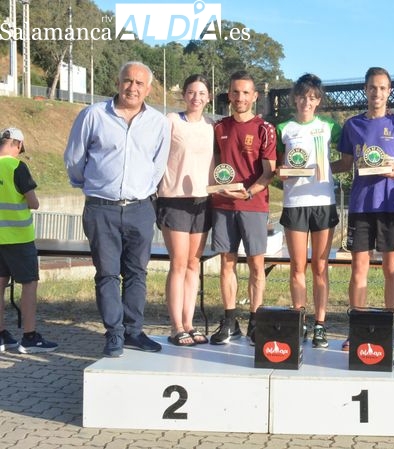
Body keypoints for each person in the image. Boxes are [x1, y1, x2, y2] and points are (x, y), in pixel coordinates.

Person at [64, 61, 170, 357]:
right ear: (118, 81)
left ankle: (134, 331)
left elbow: (157, 166)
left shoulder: (159, 123)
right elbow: (75, 159)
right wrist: (96, 186)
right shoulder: (93, 115)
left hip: (140, 208)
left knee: (137, 272)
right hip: (102, 209)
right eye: (127, 81)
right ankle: (114, 334)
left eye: (139, 83)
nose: (132, 87)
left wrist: (141, 192)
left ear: (148, 89)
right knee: (107, 273)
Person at [332, 67, 394, 352]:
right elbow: (345, 164)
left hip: (391, 206)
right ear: (365, 90)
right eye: (372, 88)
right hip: (360, 205)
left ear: (389, 91)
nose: (377, 93)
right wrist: (310, 169)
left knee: (391, 269)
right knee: (359, 269)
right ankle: (356, 329)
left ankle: (391, 332)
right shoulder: (352, 125)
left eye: (382, 88)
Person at [209, 70, 277, 346]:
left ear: (255, 96)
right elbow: (214, 166)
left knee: (256, 266)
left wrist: (249, 192)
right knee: (226, 263)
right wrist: (216, 186)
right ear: (229, 94)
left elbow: (268, 173)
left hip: (253, 205)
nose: (240, 97)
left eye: (246, 92)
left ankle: (255, 321)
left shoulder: (265, 129)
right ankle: (229, 322)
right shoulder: (219, 127)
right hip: (223, 204)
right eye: (235, 92)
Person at [276, 73, 341, 349]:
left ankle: (320, 325)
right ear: (295, 98)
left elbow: (349, 158)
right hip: (295, 204)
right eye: (302, 96)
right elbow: (277, 168)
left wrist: (326, 170)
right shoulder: (283, 128)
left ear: (318, 100)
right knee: (297, 267)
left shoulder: (329, 126)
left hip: (323, 202)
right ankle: (300, 317)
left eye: (312, 97)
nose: (307, 102)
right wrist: (281, 173)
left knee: (321, 267)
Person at [157, 74, 215, 347]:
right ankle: (175, 325)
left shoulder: (211, 126)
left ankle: (190, 323)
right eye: (192, 92)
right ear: (184, 95)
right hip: (174, 198)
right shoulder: (170, 121)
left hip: (203, 201)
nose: (196, 97)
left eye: (202, 93)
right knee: (178, 263)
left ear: (209, 98)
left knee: (194, 264)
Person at [0, 128, 58, 353]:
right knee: (29, 284)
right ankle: (29, 336)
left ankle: (2, 335)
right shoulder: (16, 167)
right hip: (18, 238)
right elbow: (33, 203)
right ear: (17, 144)